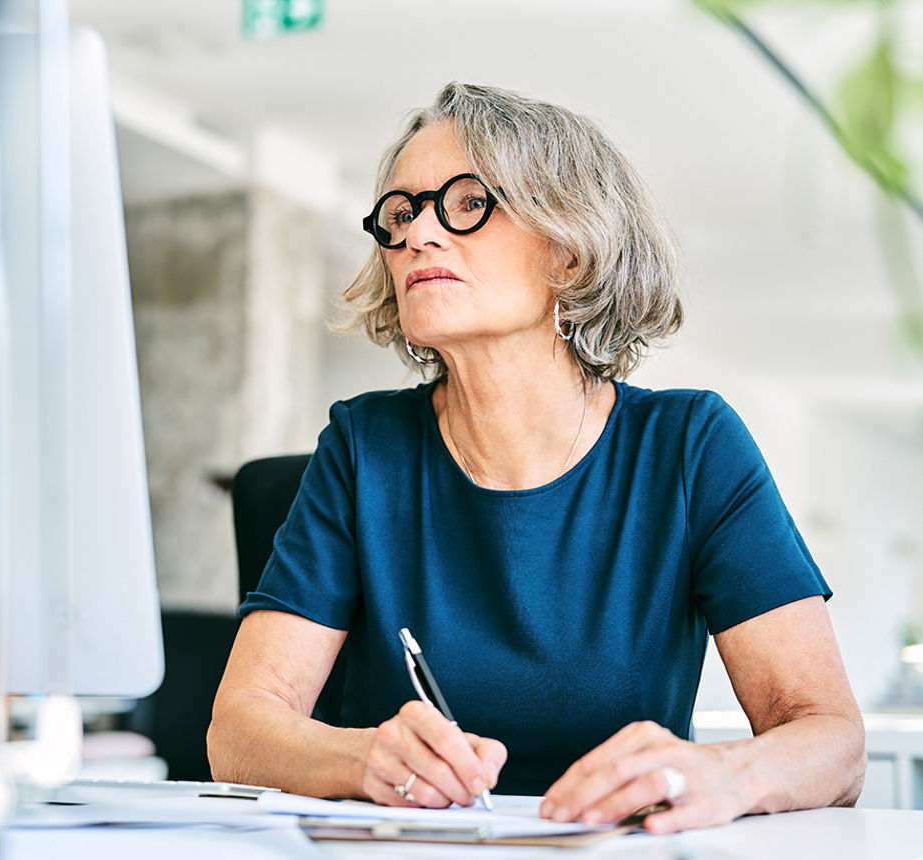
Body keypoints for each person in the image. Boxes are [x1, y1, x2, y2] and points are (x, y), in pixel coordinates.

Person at [206, 82, 866, 833]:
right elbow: (238, 729)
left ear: (571, 248)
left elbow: (833, 741)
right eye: (401, 213)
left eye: (465, 203)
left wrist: (723, 773)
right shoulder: (364, 448)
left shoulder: (691, 446)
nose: (420, 235)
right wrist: (363, 759)